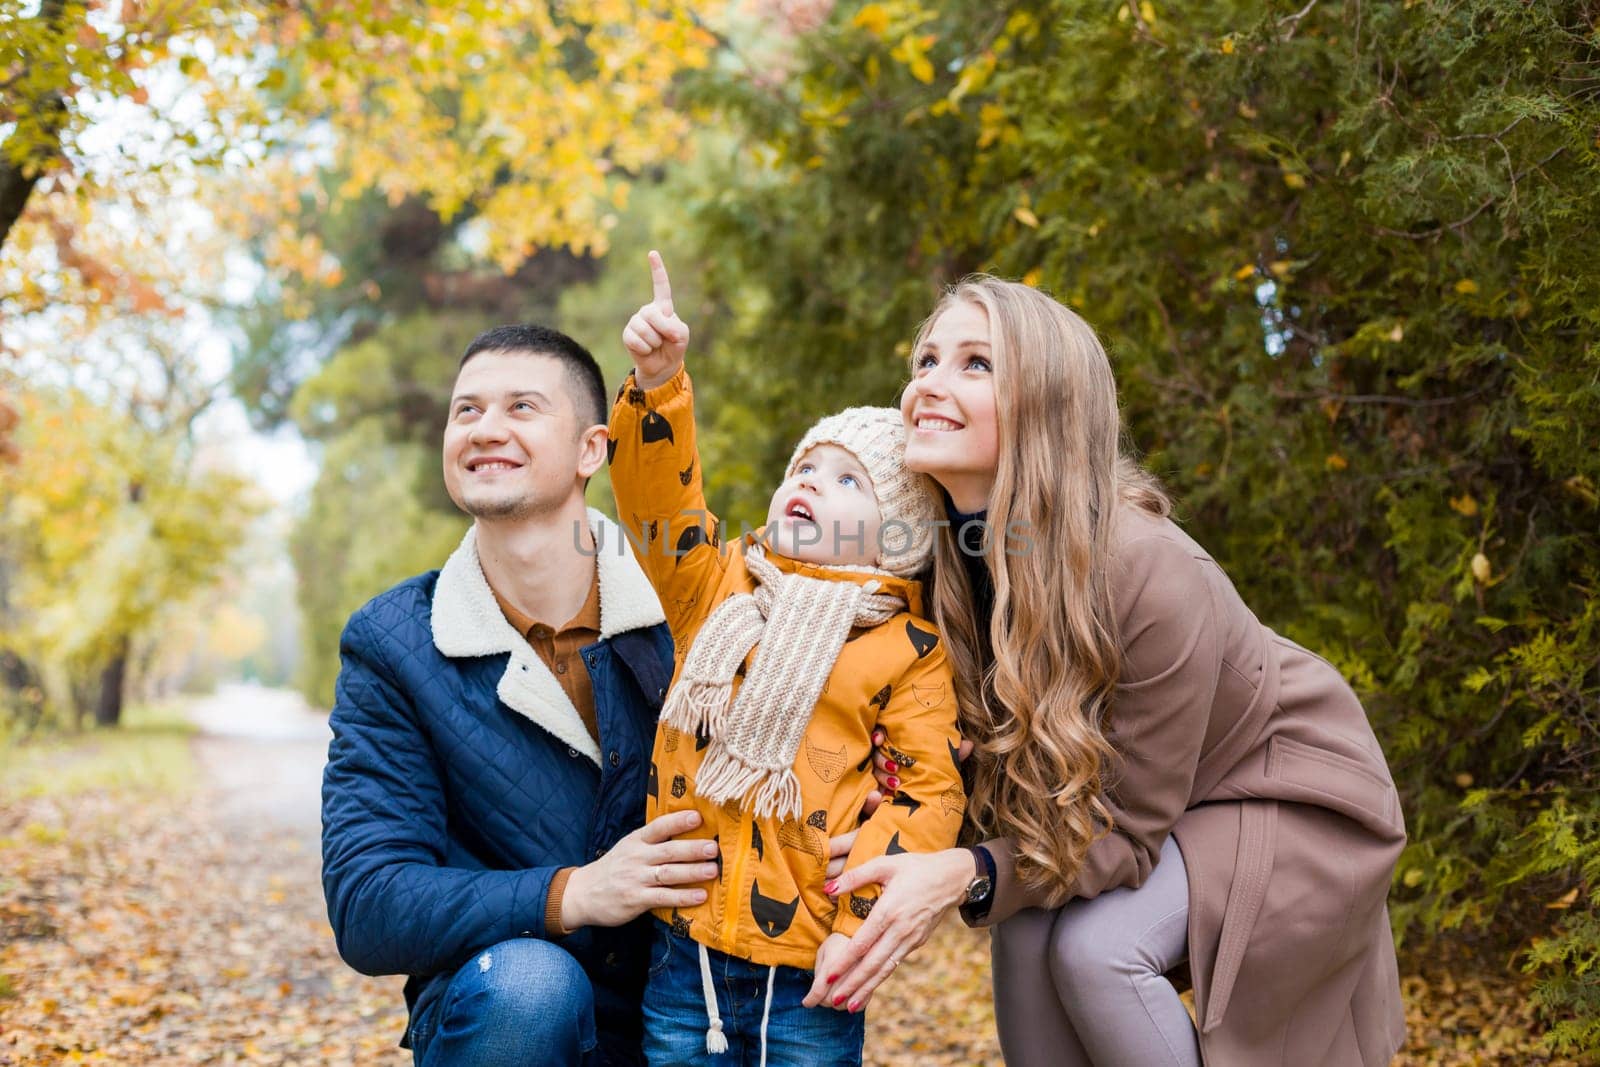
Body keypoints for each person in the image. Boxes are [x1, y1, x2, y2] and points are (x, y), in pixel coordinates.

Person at [816, 277, 1408, 1066]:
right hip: (1159, 800)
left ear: (1048, 404)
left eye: (975, 363)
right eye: (926, 358)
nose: (928, 381)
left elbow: (1126, 833)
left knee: (1099, 948)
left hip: (1283, 786)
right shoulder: (948, 561)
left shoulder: (1149, 566)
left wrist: (963, 869)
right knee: (1023, 930)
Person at [320, 324, 724, 1066]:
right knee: (533, 986)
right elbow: (368, 900)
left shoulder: (694, 610)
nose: (485, 430)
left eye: (521, 407)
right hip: (509, 1014)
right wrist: (572, 894)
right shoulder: (392, 644)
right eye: (466, 411)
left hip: (700, 1003)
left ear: (590, 450)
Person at [609, 252, 965, 1066]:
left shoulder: (907, 649)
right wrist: (660, 383)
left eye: (848, 480)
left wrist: (860, 923)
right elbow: (661, 503)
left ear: (900, 539)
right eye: (805, 466)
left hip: (813, 962)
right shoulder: (716, 584)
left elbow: (926, 794)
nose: (810, 481)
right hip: (685, 941)